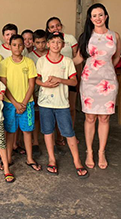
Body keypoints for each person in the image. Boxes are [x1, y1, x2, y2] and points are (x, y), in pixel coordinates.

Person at [73, 3, 121, 170]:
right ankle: (89, 152)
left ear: (106, 16)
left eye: (101, 15)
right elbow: (79, 59)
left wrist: (106, 69)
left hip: (108, 82)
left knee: (104, 117)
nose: (98, 18)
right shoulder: (86, 36)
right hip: (89, 81)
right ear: (90, 19)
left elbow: (115, 58)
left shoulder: (114, 35)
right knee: (90, 118)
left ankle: (101, 151)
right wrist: (60, 65)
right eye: (94, 16)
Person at [36, 32, 88, 178]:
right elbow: (36, 80)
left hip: (62, 103)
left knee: (68, 132)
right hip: (45, 103)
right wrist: (44, 84)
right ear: (48, 44)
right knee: (48, 131)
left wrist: (60, 80)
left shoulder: (67, 61)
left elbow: (74, 81)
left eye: (59, 42)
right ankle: (52, 159)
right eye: (53, 42)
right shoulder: (41, 61)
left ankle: (77, 161)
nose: (56, 45)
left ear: (63, 45)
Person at [0, 34, 41, 171]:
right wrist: (16, 103)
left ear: (24, 46)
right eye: (14, 45)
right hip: (10, 104)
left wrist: (24, 102)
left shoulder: (29, 63)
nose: (17, 47)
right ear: (9, 46)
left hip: (27, 103)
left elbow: (31, 85)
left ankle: (29, 158)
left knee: (27, 131)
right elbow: (3, 85)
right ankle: (8, 158)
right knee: (10, 132)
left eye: (20, 45)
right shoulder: (5, 63)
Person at [46, 17, 79, 147]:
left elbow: (77, 57)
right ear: (48, 30)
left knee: (70, 108)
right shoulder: (49, 43)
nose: (56, 28)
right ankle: (58, 136)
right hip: (53, 81)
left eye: (58, 25)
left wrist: (70, 70)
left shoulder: (70, 39)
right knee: (55, 109)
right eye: (52, 27)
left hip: (69, 77)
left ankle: (68, 133)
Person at [31, 29, 48, 156]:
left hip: (50, 89)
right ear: (33, 43)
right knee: (36, 116)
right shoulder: (30, 56)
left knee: (50, 116)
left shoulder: (52, 54)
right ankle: (35, 142)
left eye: (43, 42)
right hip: (35, 89)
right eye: (38, 42)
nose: (41, 45)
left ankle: (52, 142)